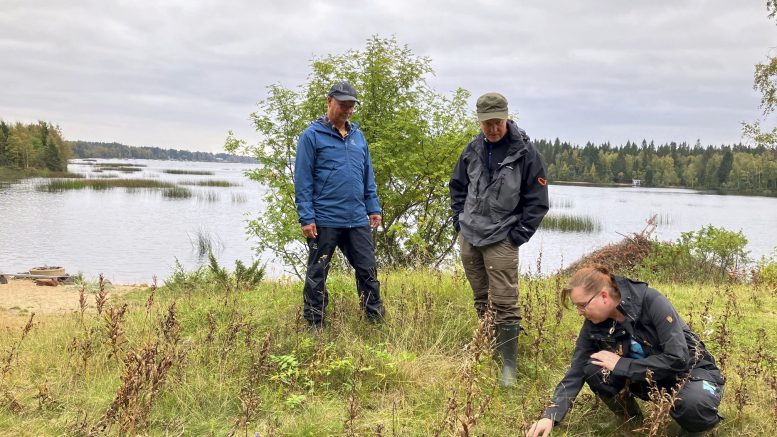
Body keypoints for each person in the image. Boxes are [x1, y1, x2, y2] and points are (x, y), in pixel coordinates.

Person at [526, 266, 725, 437]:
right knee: (594, 368)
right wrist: (550, 416)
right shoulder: (594, 323)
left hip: (691, 373)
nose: (579, 312)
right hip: (648, 378)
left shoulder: (651, 301)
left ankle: (694, 428)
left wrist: (621, 364)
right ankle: (632, 420)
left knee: (694, 406)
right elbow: (576, 370)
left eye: (582, 305)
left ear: (603, 296)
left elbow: (678, 358)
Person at [449, 92, 549, 386]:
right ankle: (491, 349)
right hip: (470, 235)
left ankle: (509, 368)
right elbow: (457, 186)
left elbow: (538, 201)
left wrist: (518, 235)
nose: (492, 128)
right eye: (486, 123)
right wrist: (459, 220)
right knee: (481, 298)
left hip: (502, 237)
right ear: (479, 122)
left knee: (505, 302)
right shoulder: (472, 148)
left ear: (506, 117)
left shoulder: (526, 153)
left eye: (497, 122)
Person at [294, 80, 385, 332]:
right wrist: (306, 217)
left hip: (356, 218)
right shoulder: (311, 136)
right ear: (329, 101)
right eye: (343, 104)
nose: (347, 110)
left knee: (367, 269)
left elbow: (367, 176)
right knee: (318, 272)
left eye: (351, 106)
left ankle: (374, 320)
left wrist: (373, 207)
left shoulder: (358, 137)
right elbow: (302, 180)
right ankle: (314, 323)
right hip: (324, 218)